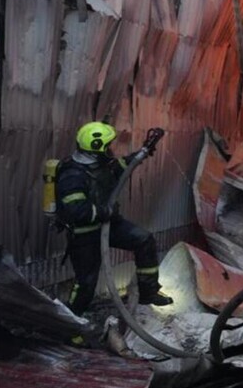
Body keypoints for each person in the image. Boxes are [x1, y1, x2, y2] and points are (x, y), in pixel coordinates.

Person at [55, 122, 171, 315]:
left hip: (108, 225)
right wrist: (104, 212)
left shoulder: (99, 164)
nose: (111, 149)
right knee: (86, 283)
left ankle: (148, 292)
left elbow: (119, 168)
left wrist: (143, 152)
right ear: (96, 147)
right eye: (108, 145)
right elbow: (76, 210)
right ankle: (72, 322)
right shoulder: (72, 174)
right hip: (84, 234)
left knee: (144, 240)